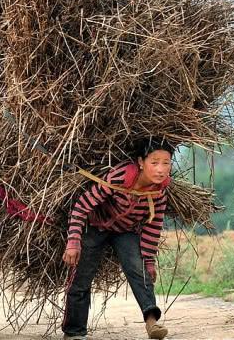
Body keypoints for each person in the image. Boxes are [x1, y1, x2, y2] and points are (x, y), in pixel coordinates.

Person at [61, 138, 173, 340]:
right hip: (95, 226)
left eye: (166, 163)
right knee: (81, 277)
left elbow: (153, 225)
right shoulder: (121, 176)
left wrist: (148, 261)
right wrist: (73, 241)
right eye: (154, 162)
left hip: (125, 230)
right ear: (141, 162)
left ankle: (152, 323)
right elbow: (82, 206)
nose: (160, 169)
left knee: (139, 271)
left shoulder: (160, 190)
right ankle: (74, 332)